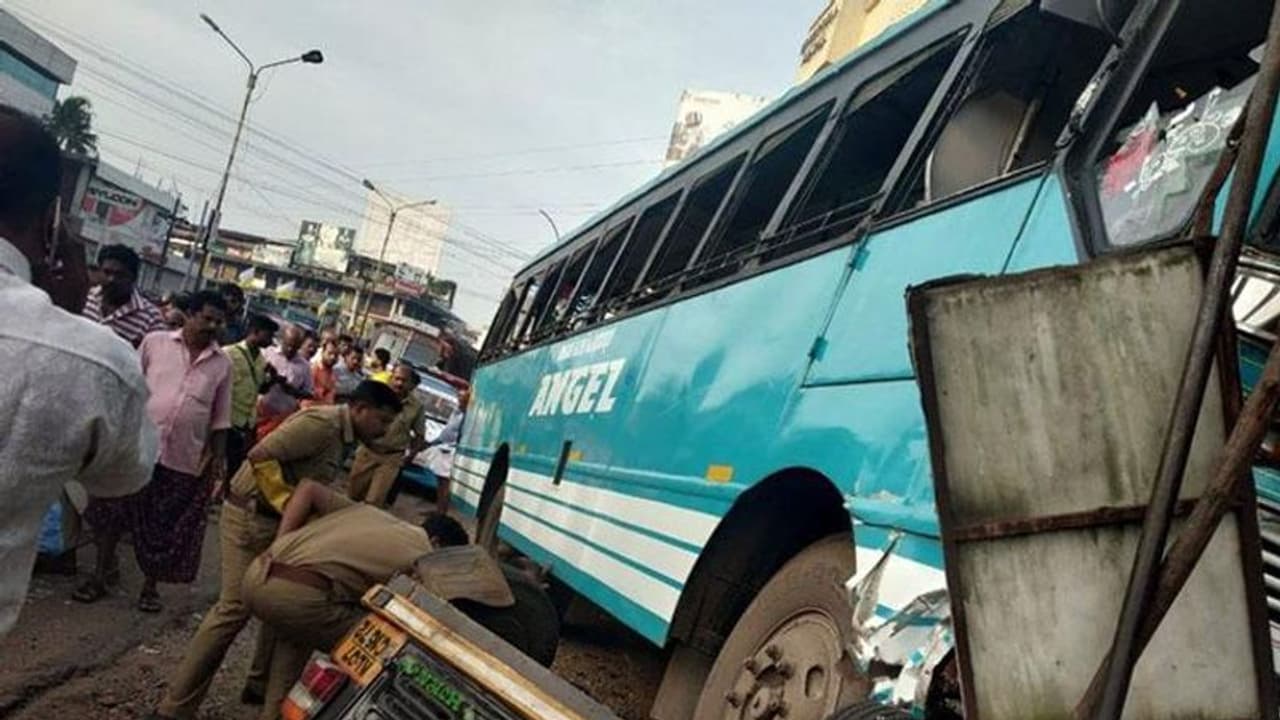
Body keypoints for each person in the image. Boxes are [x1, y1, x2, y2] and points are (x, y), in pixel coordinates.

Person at [151, 380, 402, 720]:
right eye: (382, 421)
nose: (384, 431)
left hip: (274, 523)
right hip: (250, 516)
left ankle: (259, 686)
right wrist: (288, 505)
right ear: (360, 409)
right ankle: (174, 708)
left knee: (283, 608)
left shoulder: (344, 437)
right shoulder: (321, 425)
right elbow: (261, 456)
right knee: (234, 609)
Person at [0, 105, 157, 638]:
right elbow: (124, 473)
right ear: (52, 222)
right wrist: (62, 318)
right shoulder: (93, 361)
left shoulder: (134, 332)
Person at [242, 480, 468, 718]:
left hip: (258, 570)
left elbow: (308, 488)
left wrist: (280, 543)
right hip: (296, 598)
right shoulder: (423, 557)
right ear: (437, 544)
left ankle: (270, 705)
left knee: (301, 630)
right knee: (380, 645)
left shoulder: (372, 515)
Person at [75, 290, 232, 612]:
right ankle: (101, 575)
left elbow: (221, 417)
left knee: (163, 526)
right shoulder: (155, 343)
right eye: (207, 318)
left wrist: (217, 461)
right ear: (189, 315)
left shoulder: (223, 364)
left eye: (219, 321)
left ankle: (150, 588)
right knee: (111, 514)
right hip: (136, 448)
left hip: (182, 458)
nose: (213, 326)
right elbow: (130, 387)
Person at [347, 364, 426, 507]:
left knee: (374, 502)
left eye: (404, 381)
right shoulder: (378, 395)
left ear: (411, 385)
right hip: (368, 451)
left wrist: (410, 455)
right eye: (396, 379)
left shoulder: (417, 407)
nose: (399, 383)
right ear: (391, 378)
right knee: (353, 495)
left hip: (391, 458)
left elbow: (420, 435)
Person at [223, 314, 279, 478]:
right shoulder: (229, 353)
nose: (271, 340)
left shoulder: (262, 361)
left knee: (235, 466)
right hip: (228, 420)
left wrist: (272, 380)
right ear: (255, 331)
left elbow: (259, 389)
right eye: (268, 334)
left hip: (247, 423)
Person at [81, 243, 166, 347]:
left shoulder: (151, 318)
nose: (111, 279)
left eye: (120, 275)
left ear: (133, 277)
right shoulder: (85, 298)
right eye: (107, 272)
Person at [256, 325, 313, 441]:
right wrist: (271, 379)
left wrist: (292, 391)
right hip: (259, 410)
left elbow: (309, 393)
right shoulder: (267, 353)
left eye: (295, 347)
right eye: (288, 345)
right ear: (282, 340)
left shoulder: (304, 366)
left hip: (282, 417)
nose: (291, 349)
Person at [427, 387, 470, 514]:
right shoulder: (457, 412)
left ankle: (441, 513)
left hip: (452, 452)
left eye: (462, 398)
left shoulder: (468, 416)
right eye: (459, 397)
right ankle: (438, 510)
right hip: (443, 448)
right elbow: (447, 431)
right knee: (440, 484)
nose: (459, 400)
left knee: (446, 485)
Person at [305, 339, 339, 406]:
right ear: (323, 352)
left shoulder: (333, 375)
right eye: (330, 353)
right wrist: (324, 391)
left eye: (335, 355)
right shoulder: (313, 368)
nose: (333, 357)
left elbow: (331, 398)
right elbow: (308, 392)